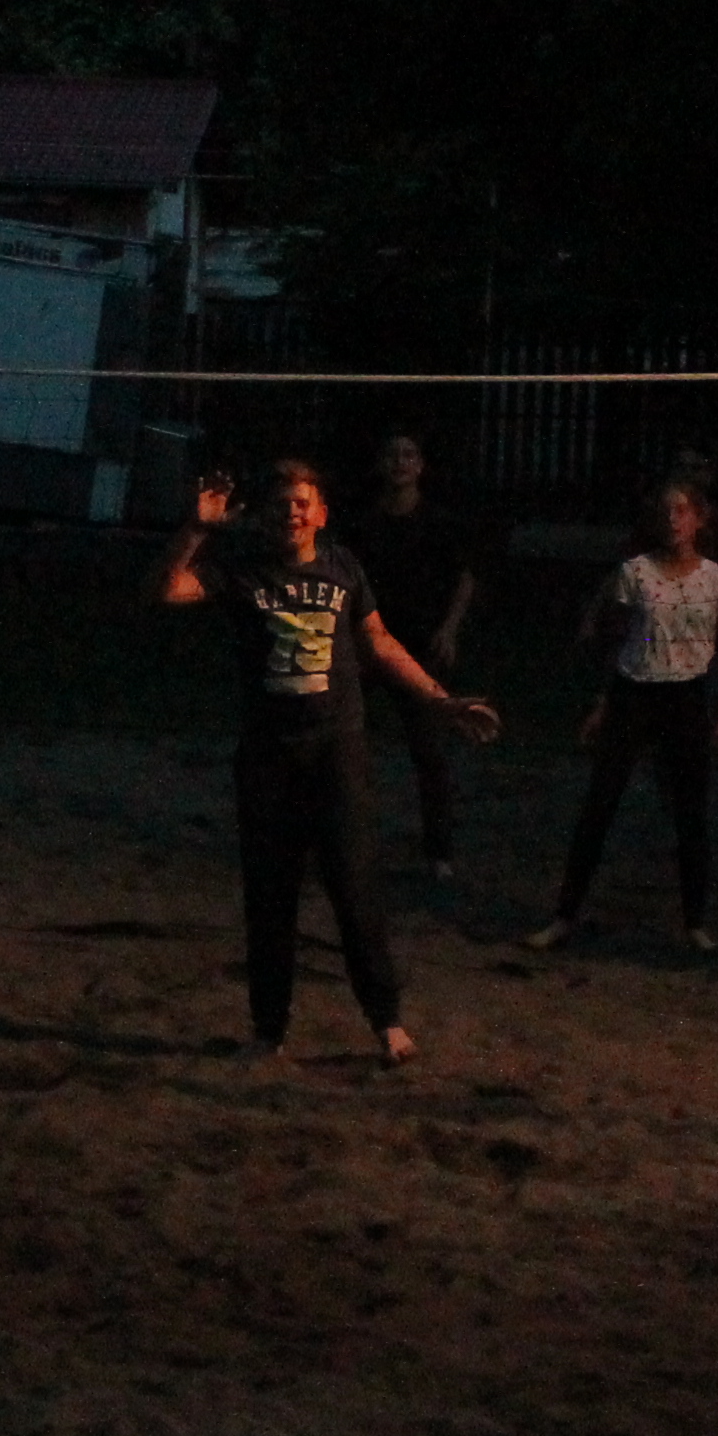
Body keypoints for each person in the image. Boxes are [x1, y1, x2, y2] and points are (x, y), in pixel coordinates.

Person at [156, 459, 499, 1063]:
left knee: (355, 887)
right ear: (267, 516)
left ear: (321, 514)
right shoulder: (243, 570)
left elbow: (379, 642)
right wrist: (196, 528)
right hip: (268, 758)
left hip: (336, 753)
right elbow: (167, 590)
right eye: (282, 502)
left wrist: (439, 700)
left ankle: (387, 1021)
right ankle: (268, 1028)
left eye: (303, 502)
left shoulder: (342, 568)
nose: (292, 511)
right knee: (271, 897)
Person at [529, 478, 718, 953]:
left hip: (687, 697)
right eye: (665, 512)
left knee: (690, 812)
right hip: (635, 694)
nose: (672, 520)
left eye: (681, 511)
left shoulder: (717, 579)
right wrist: (604, 701)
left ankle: (695, 922)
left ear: (698, 519)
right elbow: (624, 638)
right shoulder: (637, 573)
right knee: (600, 805)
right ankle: (564, 916)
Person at [338, 431, 484, 878]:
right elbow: (345, 582)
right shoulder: (364, 523)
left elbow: (464, 577)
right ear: (381, 465)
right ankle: (337, 840)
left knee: (429, 750)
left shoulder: (437, 522)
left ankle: (439, 852)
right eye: (393, 454)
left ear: (420, 466)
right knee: (341, 743)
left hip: (419, 646)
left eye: (409, 455)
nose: (400, 462)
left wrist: (449, 629)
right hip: (368, 645)